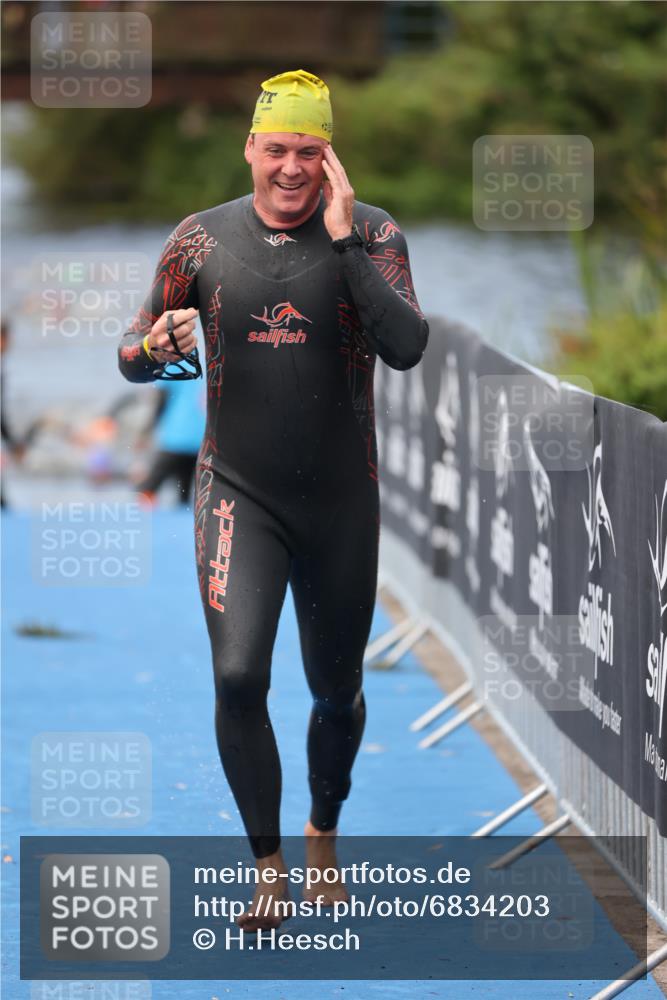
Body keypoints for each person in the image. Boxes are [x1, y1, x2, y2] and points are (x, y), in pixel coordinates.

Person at [118, 69, 428, 931]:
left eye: (310, 152)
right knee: (237, 675)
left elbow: (405, 345)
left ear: (330, 158)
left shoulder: (372, 233)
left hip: (340, 502)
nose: (292, 167)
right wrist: (155, 346)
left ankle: (322, 829)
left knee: (335, 692)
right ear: (250, 147)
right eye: (278, 149)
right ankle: (267, 867)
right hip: (236, 493)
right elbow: (130, 354)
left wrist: (344, 243)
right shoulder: (198, 241)